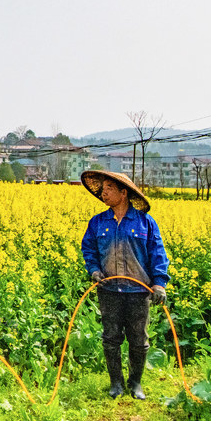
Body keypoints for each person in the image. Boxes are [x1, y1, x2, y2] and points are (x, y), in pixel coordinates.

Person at [80, 170, 169, 400]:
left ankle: (135, 383)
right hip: (109, 290)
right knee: (111, 338)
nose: (104, 193)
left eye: (109, 188)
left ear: (123, 193)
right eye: (103, 189)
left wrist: (159, 284)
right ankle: (116, 383)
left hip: (139, 292)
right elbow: (88, 249)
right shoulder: (97, 222)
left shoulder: (145, 222)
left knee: (139, 340)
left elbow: (157, 253)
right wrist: (94, 270)